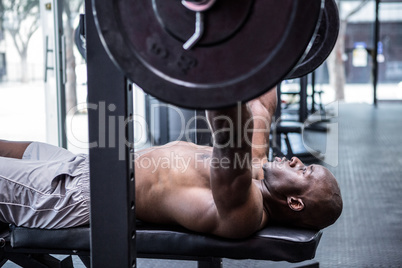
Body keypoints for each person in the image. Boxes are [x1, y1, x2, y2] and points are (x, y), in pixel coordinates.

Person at [0, 88, 342, 239]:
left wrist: (219, 57)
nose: (298, 160)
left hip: (72, 196)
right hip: (84, 166)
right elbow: (263, 104)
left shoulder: (246, 210)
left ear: (294, 202)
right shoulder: (257, 167)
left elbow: (229, 127)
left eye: (305, 171)